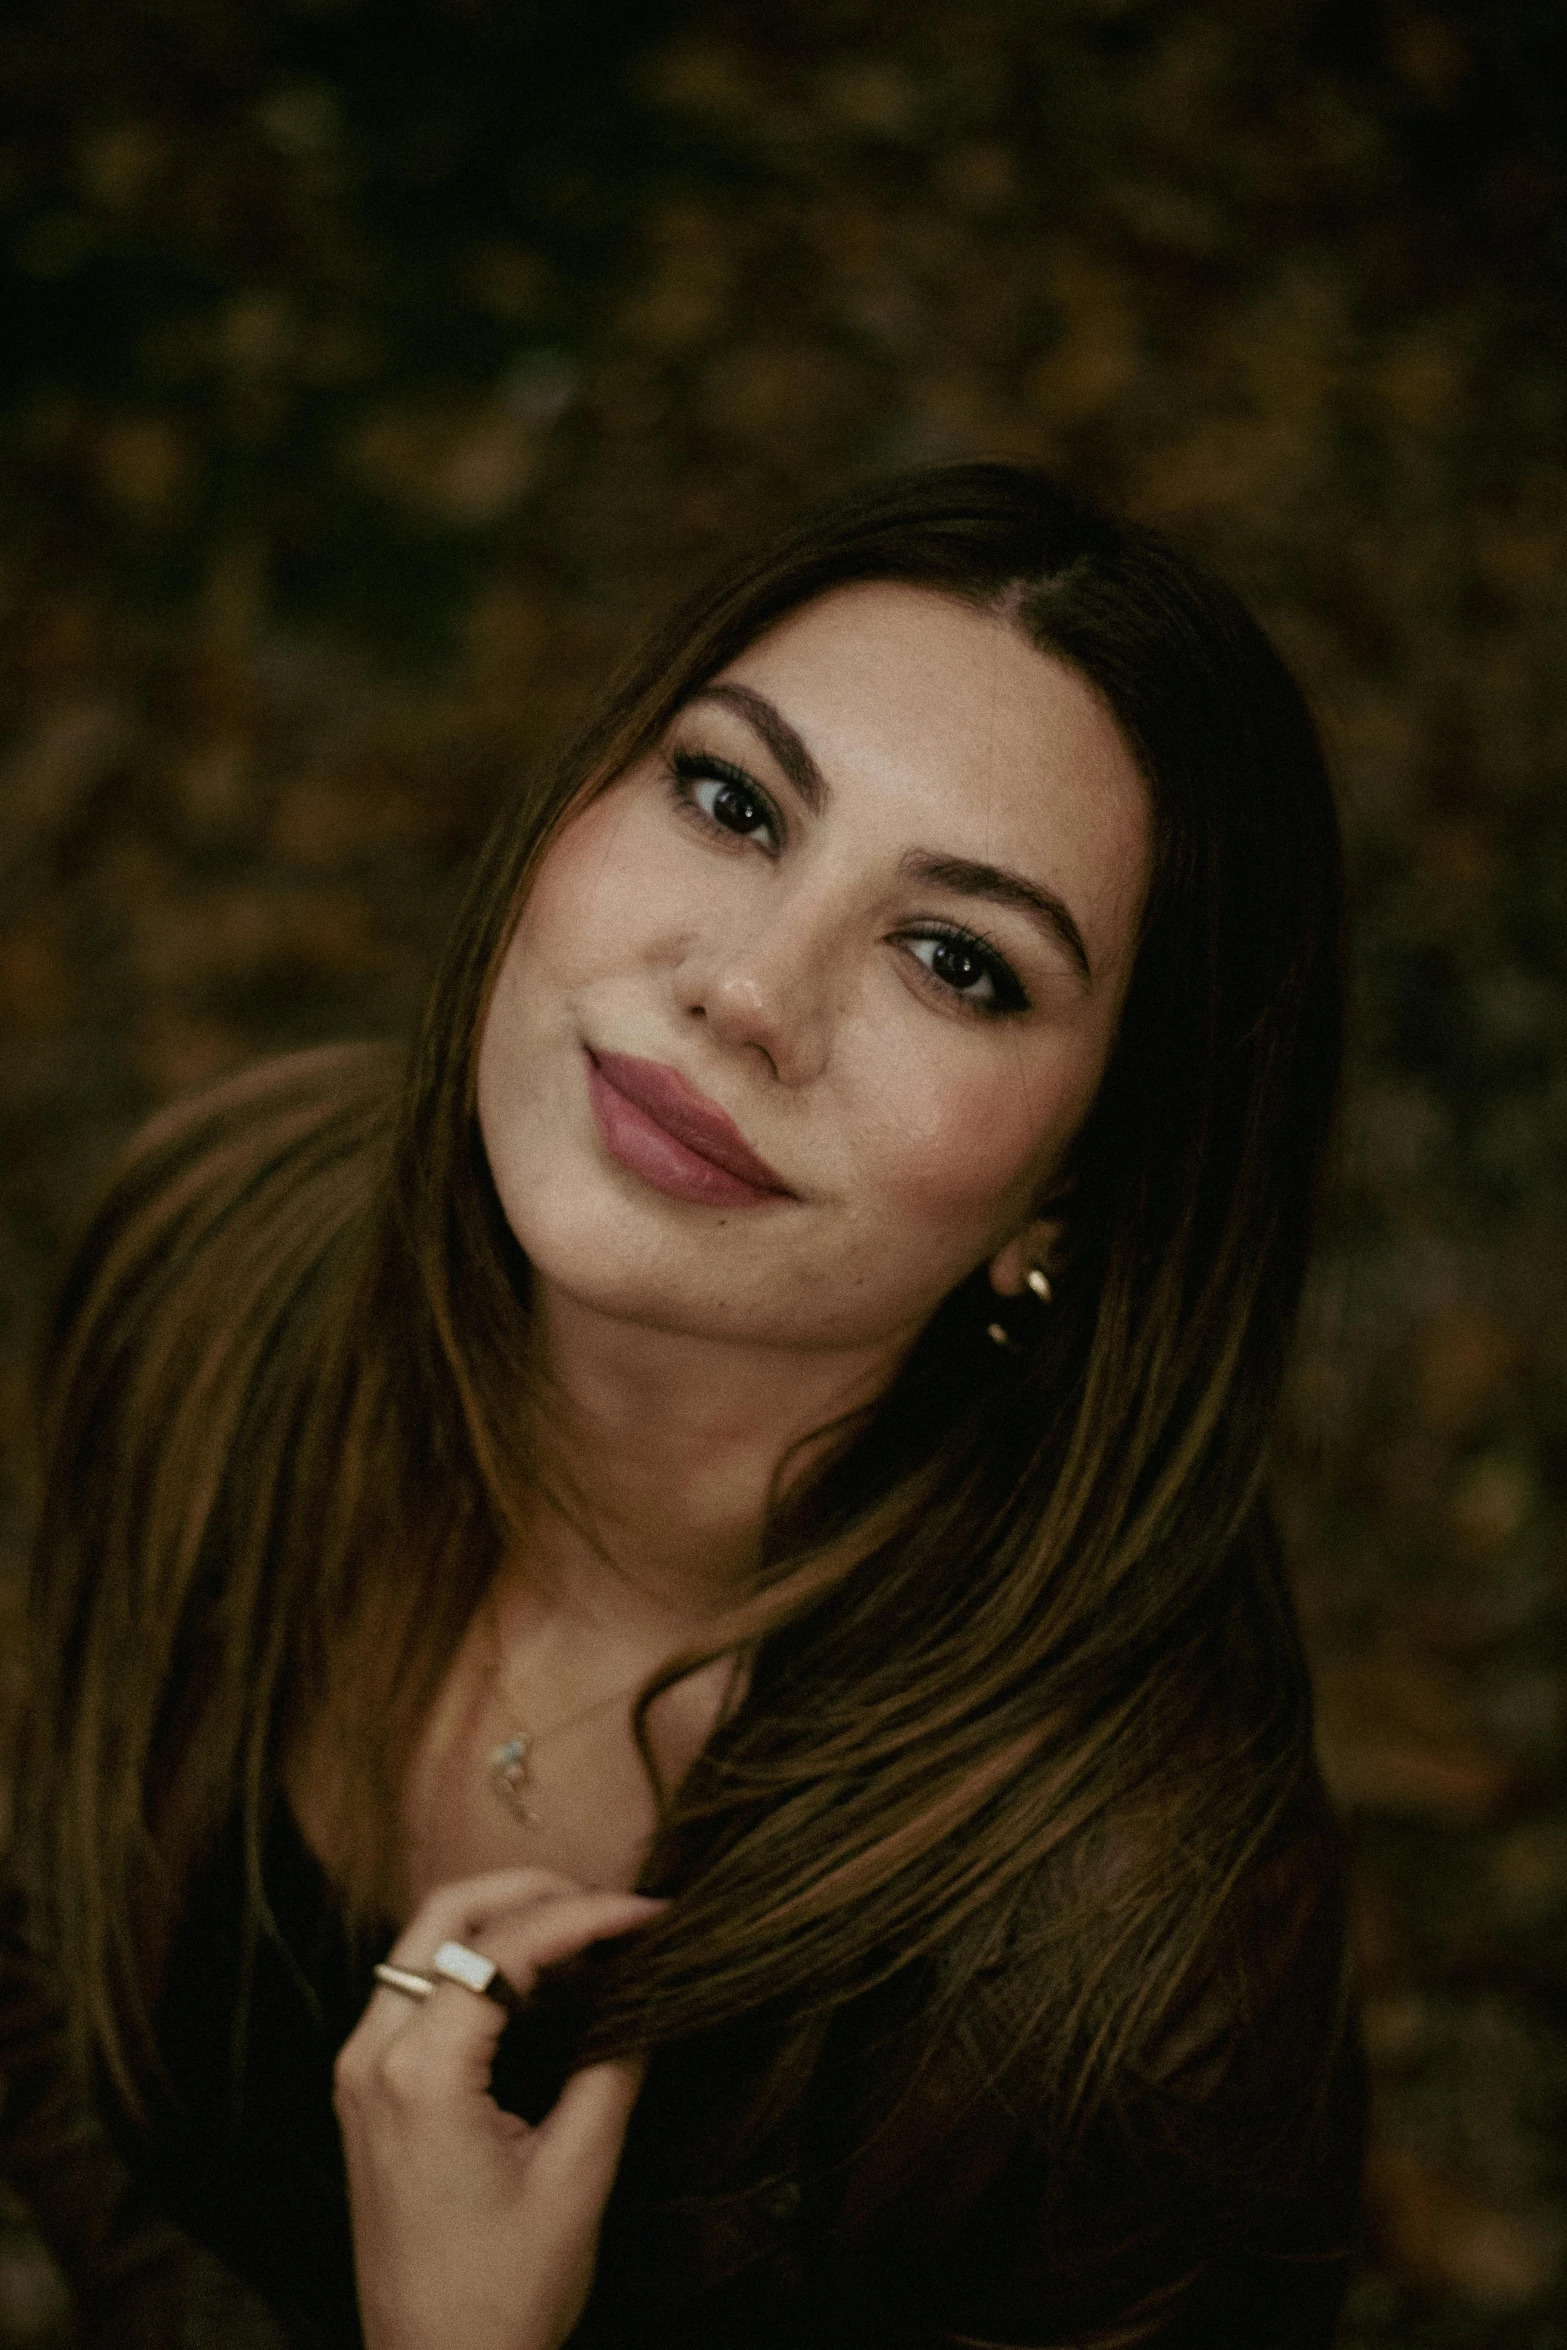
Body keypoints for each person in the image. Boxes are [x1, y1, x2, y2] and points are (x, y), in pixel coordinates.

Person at [5, 462, 1364, 2350]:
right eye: (731, 800)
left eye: (956, 959)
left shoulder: (1125, 1987)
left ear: (1077, 1187)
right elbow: (53, 1966)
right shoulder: (217, 1262)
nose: (745, 987)